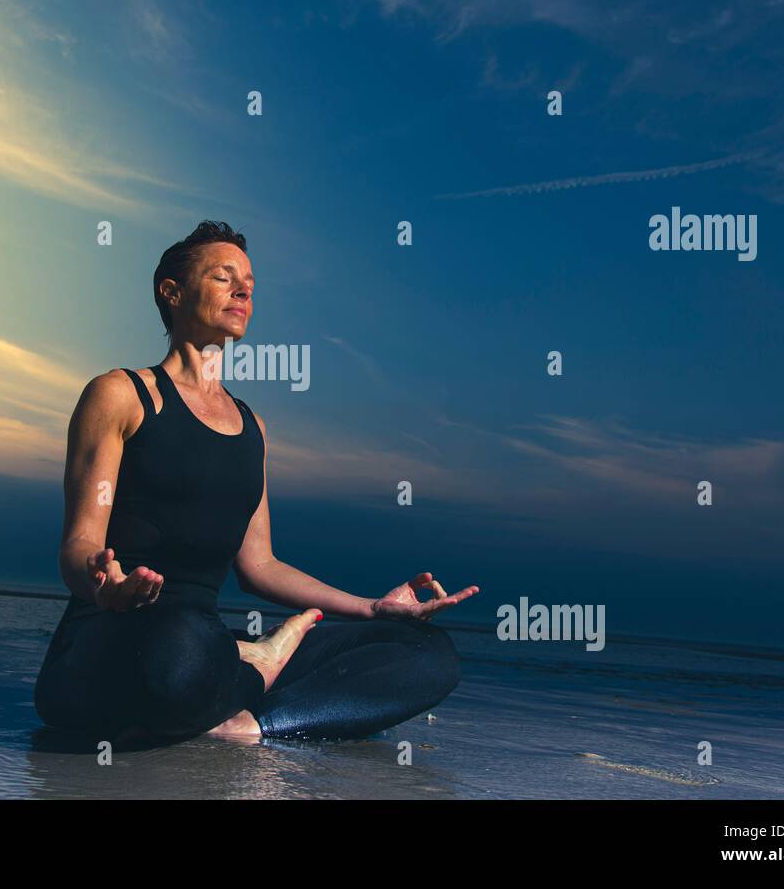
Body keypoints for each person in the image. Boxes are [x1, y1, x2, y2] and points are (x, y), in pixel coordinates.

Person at [33, 221, 478, 743]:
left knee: (428, 652)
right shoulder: (120, 395)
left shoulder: (252, 426)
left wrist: (372, 608)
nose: (243, 290)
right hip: (113, 649)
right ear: (171, 292)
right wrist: (102, 585)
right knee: (179, 645)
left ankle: (255, 723)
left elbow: (260, 565)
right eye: (224, 278)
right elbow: (79, 543)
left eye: (249, 282)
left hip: (205, 651)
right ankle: (253, 667)